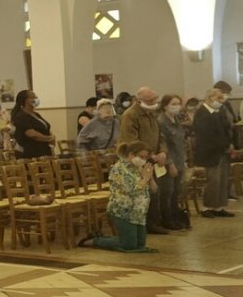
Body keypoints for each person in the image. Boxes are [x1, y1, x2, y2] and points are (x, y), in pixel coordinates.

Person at [78, 142, 158, 253]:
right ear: (131, 154)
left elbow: (154, 190)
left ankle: (107, 238)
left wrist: (150, 178)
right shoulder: (119, 169)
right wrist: (144, 179)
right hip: (122, 211)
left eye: (145, 157)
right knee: (129, 246)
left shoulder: (139, 168)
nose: (144, 160)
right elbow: (130, 191)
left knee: (140, 245)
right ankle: (94, 240)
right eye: (141, 156)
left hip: (138, 213)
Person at [118, 86, 169, 233]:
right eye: (151, 100)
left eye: (155, 99)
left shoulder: (151, 114)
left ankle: (156, 221)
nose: (154, 102)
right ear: (140, 100)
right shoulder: (130, 115)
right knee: (145, 192)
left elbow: (161, 136)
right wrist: (150, 155)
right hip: (138, 160)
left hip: (153, 159)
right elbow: (131, 141)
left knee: (156, 191)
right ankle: (147, 224)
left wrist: (163, 152)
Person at [193, 88, 235, 218]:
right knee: (213, 180)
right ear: (209, 98)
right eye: (218, 98)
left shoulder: (219, 111)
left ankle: (219, 206)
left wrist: (229, 144)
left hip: (222, 150)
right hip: (210, 152)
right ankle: (207, 207)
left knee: (222, 179)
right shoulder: (202, 113)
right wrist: (223, 146)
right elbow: (206, 135)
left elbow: (225, 129)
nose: (220, 101)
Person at [158, 94, 188, 230]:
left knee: (176, 192)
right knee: (167, 192)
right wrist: (170, 163)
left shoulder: (176, 120)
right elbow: (163, 144)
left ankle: (175, 218)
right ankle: (167, 220)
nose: (177, 107)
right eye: (173, 104)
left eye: (178, 104)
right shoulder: (162, 122)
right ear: (165, 106)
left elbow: (180, 142)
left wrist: (184, 160)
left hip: (179, 159)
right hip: (169, 162)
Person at [12, 90, 54, 159]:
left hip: (44, 150)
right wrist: (48, 138)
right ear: (27, 100)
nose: (36, 98)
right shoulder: (21, 116)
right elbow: (31, 134)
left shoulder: (36, 114)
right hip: (31, 153)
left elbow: (45, 127)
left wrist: (51, 136)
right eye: (34, 97)